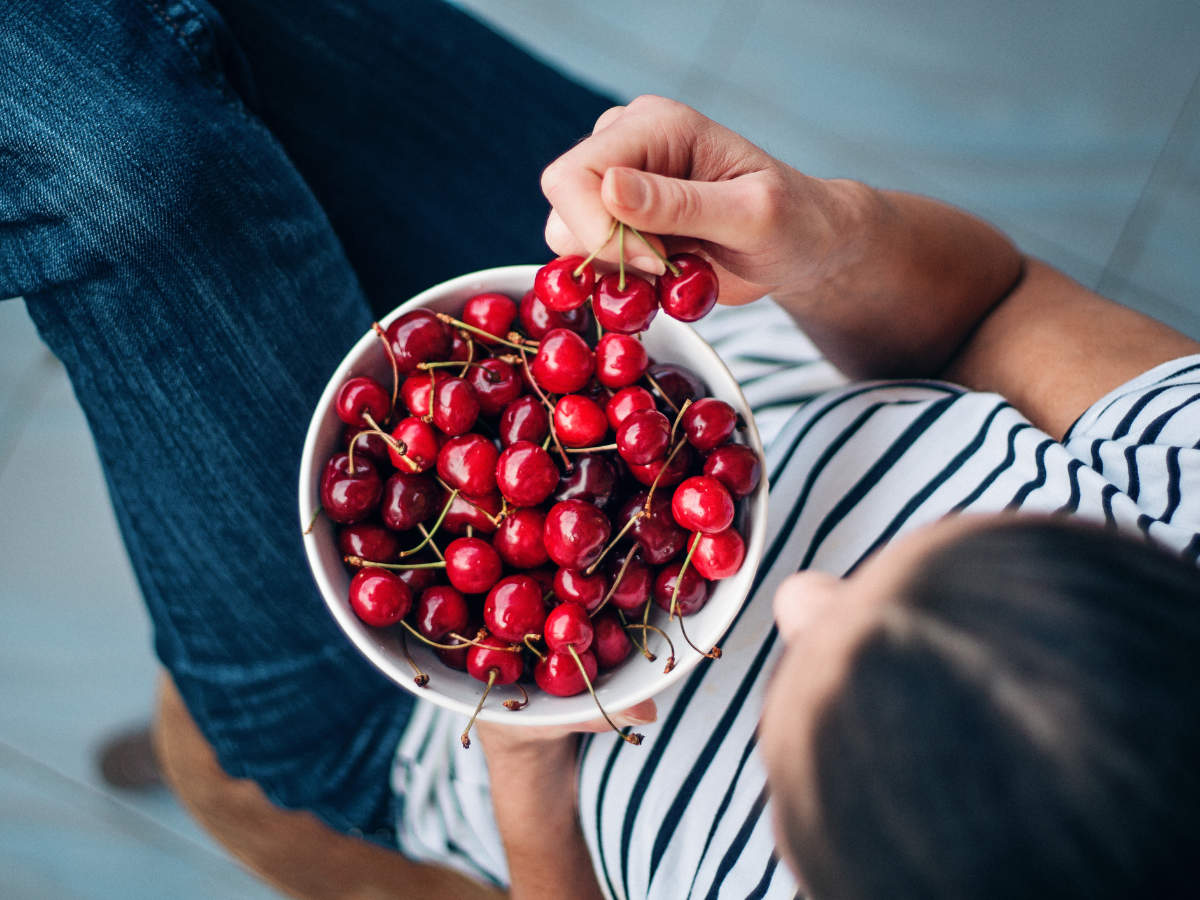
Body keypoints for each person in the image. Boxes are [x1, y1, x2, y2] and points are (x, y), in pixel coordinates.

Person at [5, 4, 1199, 899]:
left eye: (809, 701)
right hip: (644, 343)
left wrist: (523, 764)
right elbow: (995, 307)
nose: (796, 594)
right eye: (944, 564)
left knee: (126, 173)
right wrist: (820, 235)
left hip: (405, 714)